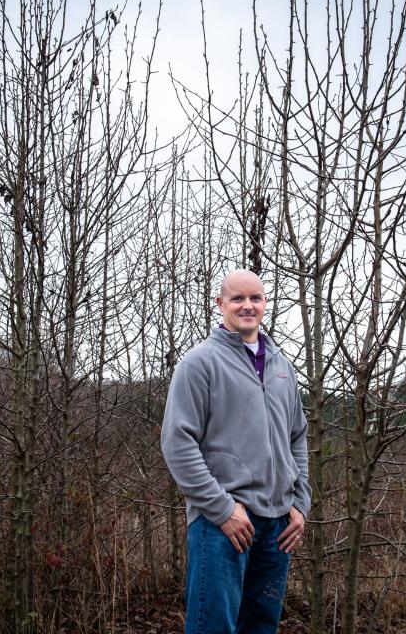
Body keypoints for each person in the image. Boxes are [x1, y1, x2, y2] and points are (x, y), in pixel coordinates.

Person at [161, 269, 311, 634]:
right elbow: (177, 443)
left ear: (264, 304)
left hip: (278, 526)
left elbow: (298, 438)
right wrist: (222, 509)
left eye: (255, 298)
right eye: (238, 299)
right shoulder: (199, 363)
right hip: (223, 525)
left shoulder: (282, 368)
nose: (248, 306)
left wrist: (300, 505)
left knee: (261, 628)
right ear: (221, 304)